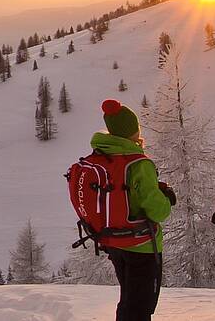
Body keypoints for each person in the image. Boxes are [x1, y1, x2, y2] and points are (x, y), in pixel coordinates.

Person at [83, 99, 175, 321]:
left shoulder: (102, 156)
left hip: (114, 241)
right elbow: (157, 211)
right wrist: (166, 199)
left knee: (128, 302)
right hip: (141, 245)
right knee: (140, 307)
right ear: (131, 131)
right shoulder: (138, 163)